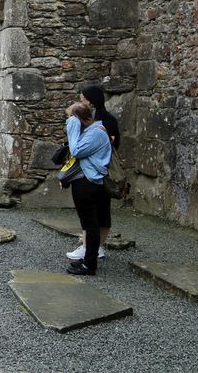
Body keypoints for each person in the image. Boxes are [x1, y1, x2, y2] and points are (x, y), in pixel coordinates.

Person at [66, 84, 121, 262]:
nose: (81, 101)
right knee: (96, 215)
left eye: (83, 99)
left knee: (96, 215)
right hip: (94, 173)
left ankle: (91, 250)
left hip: (98, 174)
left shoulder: (102, 122)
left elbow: (80, 150)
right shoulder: (99, 120)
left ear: (90, 100)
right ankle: (91, 249)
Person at [63, 101, 112, 276]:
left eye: (70, 118)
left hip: (89, 183)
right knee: (88, 223)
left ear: (78, 119)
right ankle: (87, 260)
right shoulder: (91, 132)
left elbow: (75, 151)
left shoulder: (95, 134)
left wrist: (72, 126)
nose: (68, 121)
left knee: (91, 224)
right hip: (85, 181)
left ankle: (89, 264)